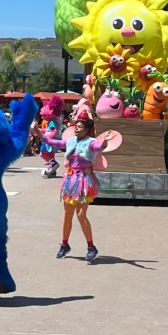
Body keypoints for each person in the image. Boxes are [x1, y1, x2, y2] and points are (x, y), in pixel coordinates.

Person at [40, 110, 116, 262]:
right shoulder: (71, 141)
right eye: (76, 126)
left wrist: (105, 141)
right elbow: (50, 142)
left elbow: (98, 148)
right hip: (70, 180)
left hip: (84, 181)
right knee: (67, 216)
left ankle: (91, 247)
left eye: (80, 127)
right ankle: (64, 244)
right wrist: (35, 129)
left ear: (87, 129)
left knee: (81, 215)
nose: (76, 128)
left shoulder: (91, 142)